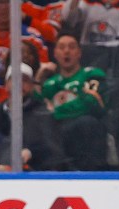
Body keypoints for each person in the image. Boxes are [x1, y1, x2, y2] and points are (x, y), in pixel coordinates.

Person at [0, 63, 71, 170]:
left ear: (32, 86)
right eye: (14, 79)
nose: (19, 84)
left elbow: (53, 151)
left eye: (25, 80)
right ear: (6, 84)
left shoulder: (42, 113)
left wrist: (31, 152)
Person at [40, 31, 109, 171]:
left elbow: (90, 105)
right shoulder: (49, 84)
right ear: (55, 54)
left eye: (71, 47)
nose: (67, 51)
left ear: (79, 53)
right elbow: (40, 114)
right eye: (62, 47)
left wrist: (56, 111)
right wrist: (39, 76)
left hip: (84, 137)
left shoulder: (92, 75)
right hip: (58, 140)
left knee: (87, 122)